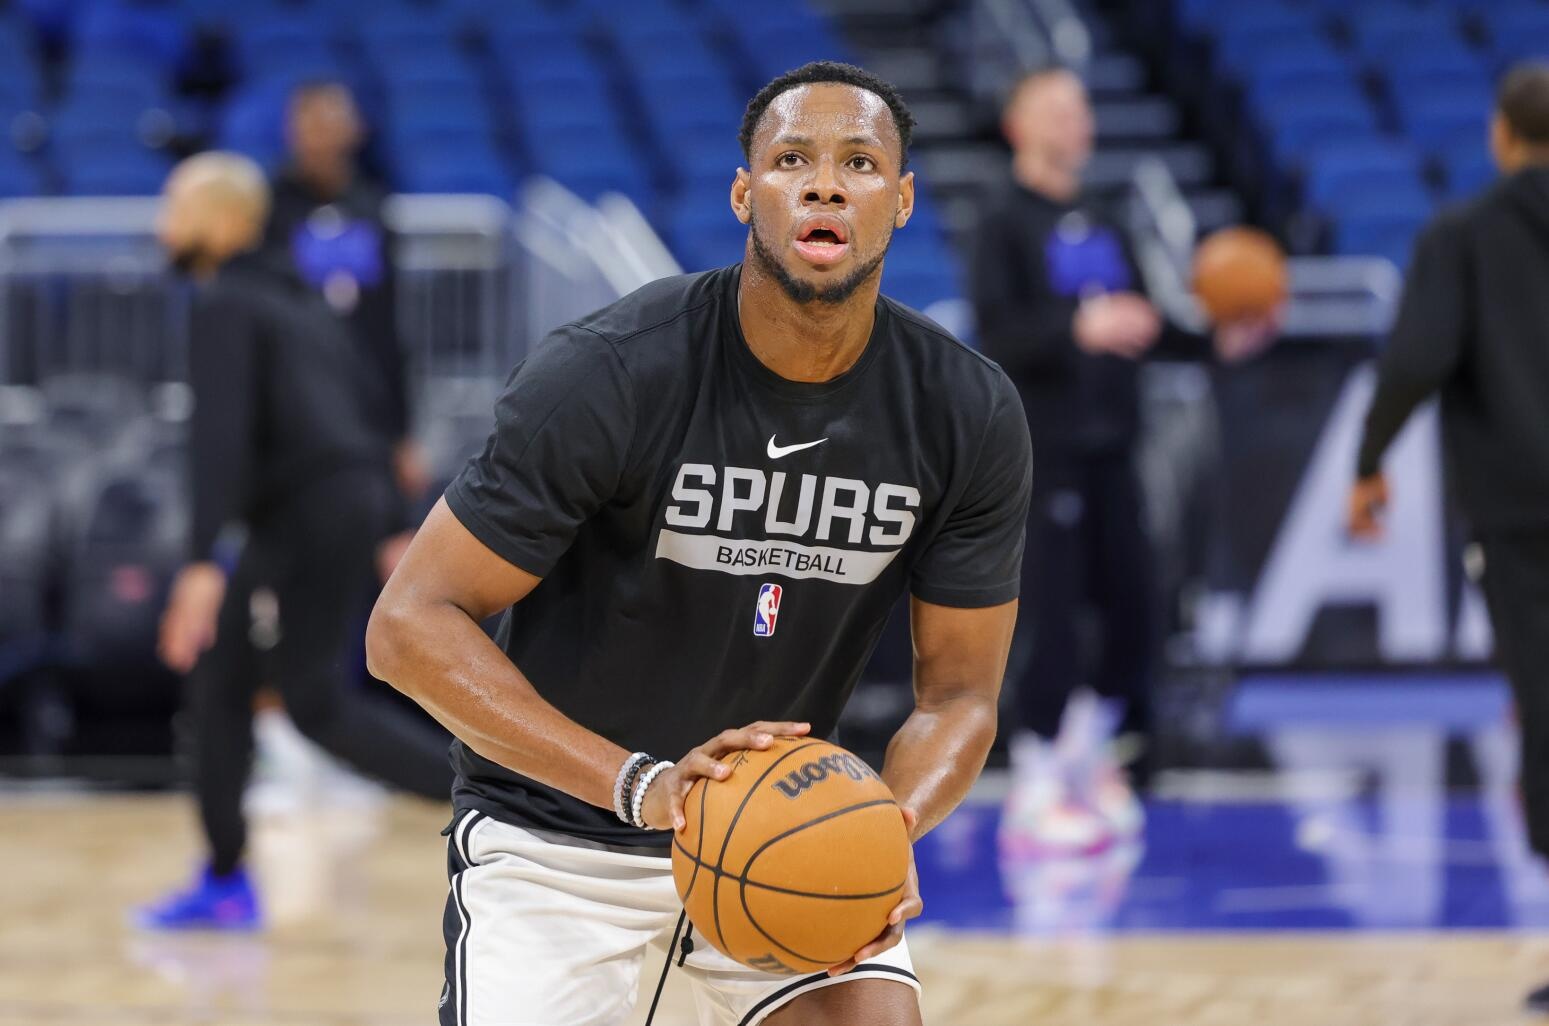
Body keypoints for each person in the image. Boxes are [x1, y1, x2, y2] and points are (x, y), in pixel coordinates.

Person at [367, 62, 1032, 1026]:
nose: (825, 184)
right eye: (792, 160)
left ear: (901, 201)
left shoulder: (965, 410)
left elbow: (960, 697)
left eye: (859, 163)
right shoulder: (611, 371)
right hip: (562, 839)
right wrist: (641, 787)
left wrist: (886, 827)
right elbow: (406, 627)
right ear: (743, 194)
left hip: (779, 824)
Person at [138, 153, 453, 931]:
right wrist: (387, 518)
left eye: (174, 206)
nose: (161, 223)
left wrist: (203, 563)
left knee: (297, 699)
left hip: (301, 512)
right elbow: (367, 405)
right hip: (340, 501)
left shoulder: (225, 302)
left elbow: (220, 440)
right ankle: (225, 875)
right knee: (259, 690)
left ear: (220, 219)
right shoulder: (302, 297)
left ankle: (492, 802)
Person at [971, 67, 1275, 859]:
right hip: (1044, 451)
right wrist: (1075, 330)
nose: (1074, 121)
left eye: (1079, 109)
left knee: (1133, 611)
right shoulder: (1001, 220)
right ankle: (1035, 780)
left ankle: (1085, 757)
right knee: (1053, 617)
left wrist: (1216, 342)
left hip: (1115, 446)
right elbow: (996, 334)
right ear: (1018, 125)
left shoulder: (1104, 217)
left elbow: (1143, 323)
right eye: (1055, 109)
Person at [1348, 62, 1549, 1013]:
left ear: (1501, 136)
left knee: (1543, 711)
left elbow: (1417, 357)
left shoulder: (1462, 235)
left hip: (1519, 517)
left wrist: (1367, 461)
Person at [264, 80, 428, 508]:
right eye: (310, 124)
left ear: (354, 129)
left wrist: (403, 434)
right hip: (290, 401)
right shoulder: (269, 211)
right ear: (291, 131)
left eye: (330, 122)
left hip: (363, 401)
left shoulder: (371, 208)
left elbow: (387, 323)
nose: (320, 137)